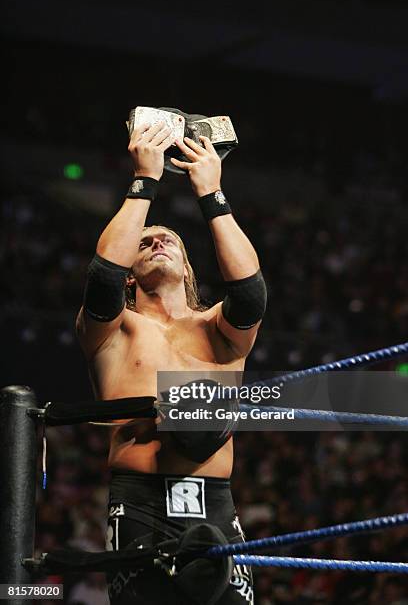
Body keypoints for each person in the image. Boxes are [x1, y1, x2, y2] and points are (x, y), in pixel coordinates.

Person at [76, 120, 267, 604]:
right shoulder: (117, 331)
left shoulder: (219, 330)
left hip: (216, 505)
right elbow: (101, 280)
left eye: (170, 242)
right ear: (130, 274)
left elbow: (249, 293)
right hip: (141, 502)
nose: (157, 242)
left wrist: (212, 193)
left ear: (187, 267)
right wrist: (145, 182)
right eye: (145, 242)